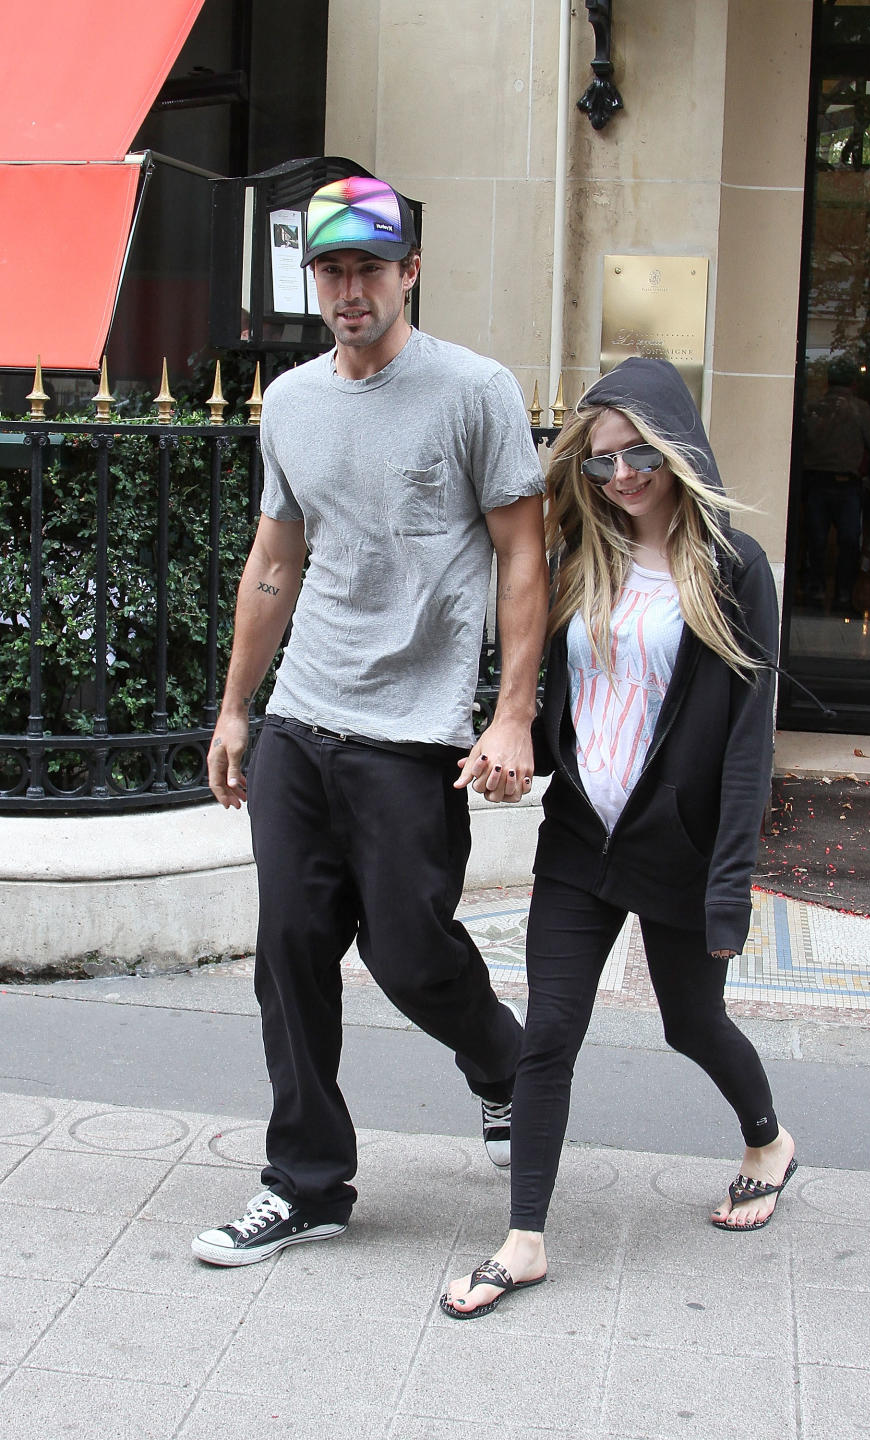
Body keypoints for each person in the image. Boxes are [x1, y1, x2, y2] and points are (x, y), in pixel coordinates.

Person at [192, 173, 549, 1267]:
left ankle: (504, 1067)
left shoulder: (474, 391)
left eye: (369, 269)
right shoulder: (292, 401)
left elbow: (523, 554)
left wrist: (512, 716)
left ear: (410, 273)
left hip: (416, 729)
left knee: (409, 951)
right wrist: (236, 710)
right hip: (305, 713)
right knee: (290, 950)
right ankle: (305, 1182)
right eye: (332, 271)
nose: (350, 290)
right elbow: (275, 561)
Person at [440, 357, 796, 1319]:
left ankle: (768, 1140)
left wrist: (730, 886)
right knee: (548, 1034)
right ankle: (523, 1243)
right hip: (579, 840)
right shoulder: (580, 557)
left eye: (639, 455)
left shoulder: (733, 569)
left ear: (677, 447)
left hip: (675, 847)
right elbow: (563, 698)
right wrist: (516, 745)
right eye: (602, 463)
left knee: (692, 1022)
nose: (622, 476)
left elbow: (747, 743)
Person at [801, 357, 870, 612]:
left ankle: (816, 591)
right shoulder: (859, 409)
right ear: (854, 383)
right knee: (848, 542)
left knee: (816, 542)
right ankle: (844, 596)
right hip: (845, 486)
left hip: (818, 483)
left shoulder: (815, 408)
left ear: (828, 381)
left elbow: (804, 439)